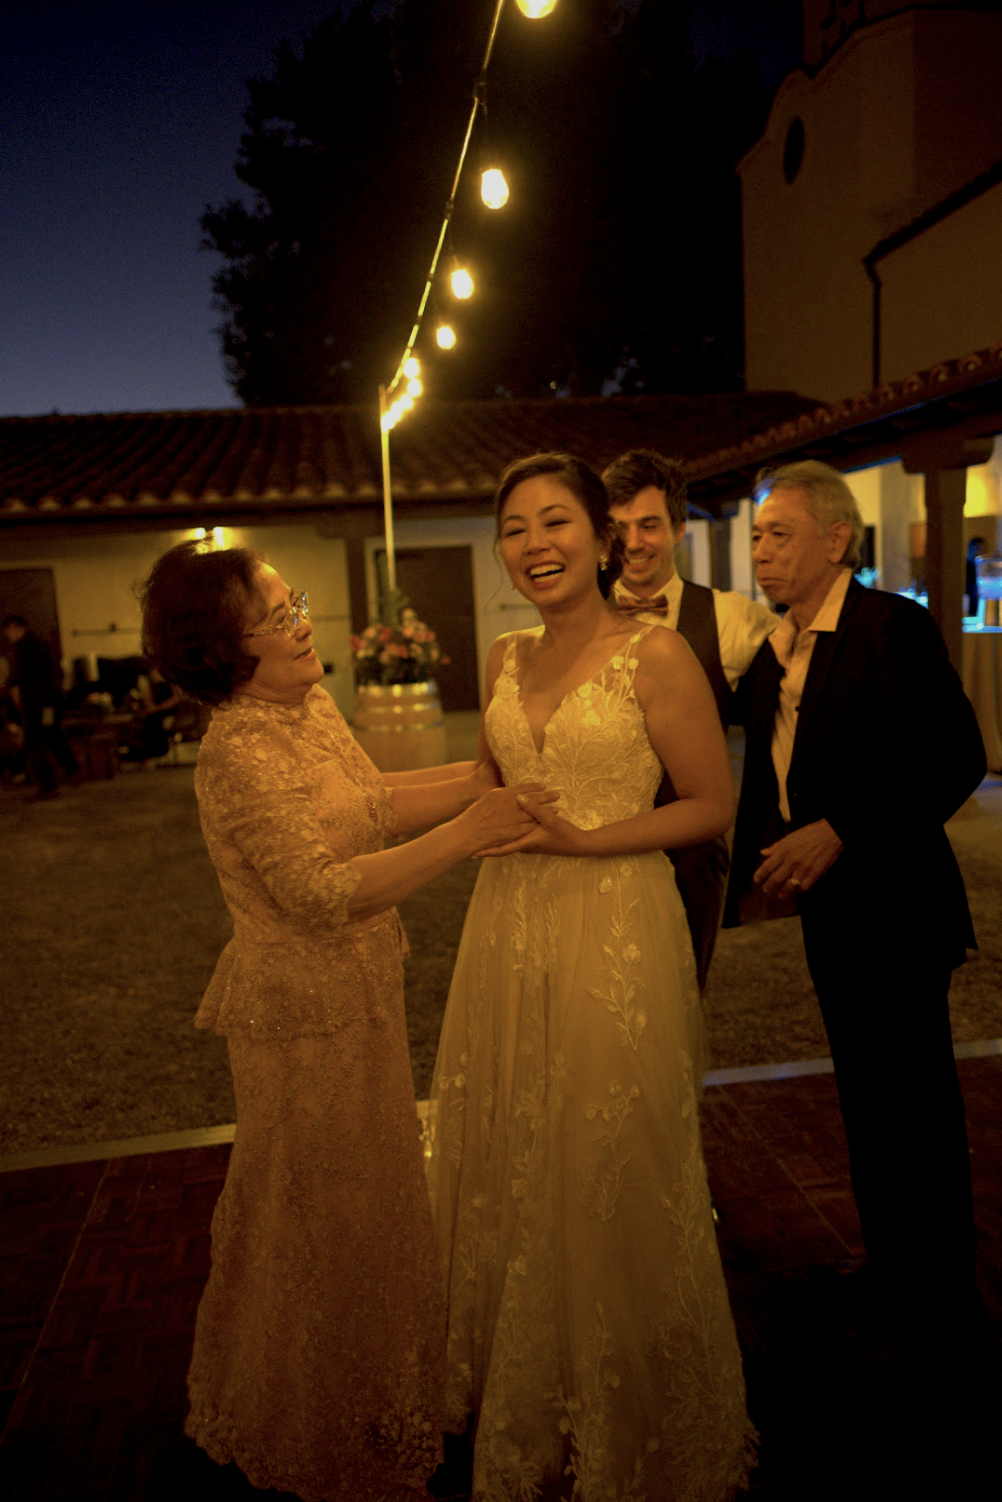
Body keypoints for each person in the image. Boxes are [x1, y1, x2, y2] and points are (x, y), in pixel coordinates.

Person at [139, 540, 552, 1502]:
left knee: (375, 1199)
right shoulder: (237, 752)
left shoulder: (311, 706)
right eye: (277, 617)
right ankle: (305, 1415)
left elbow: (371, 802)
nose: (302, 625)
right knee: (318, 1214)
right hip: (298, 1019)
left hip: (363, 994)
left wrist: (478, 780)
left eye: (296, 604)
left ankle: (374, 1385)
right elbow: (321, 892)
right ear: (224, 649)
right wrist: (469, 833)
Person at [426, 454, 757, 1500]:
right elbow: (488, 787)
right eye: (515, 527)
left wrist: (587, 839)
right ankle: (524, 1384)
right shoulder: (503, 655)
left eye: (556, 520)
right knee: (515, 1141)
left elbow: (711, 804)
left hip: (615, 920)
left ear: (603, 538)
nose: (536, 544)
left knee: (611, 1149)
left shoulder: (656, 654)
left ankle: (630, 1409)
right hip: (507, 923)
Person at [723, 459, 988, 1350]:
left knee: (917, 1105)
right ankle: (891, 1266)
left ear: (837, 540)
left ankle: (947, 1299)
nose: (761, 552)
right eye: (757, 537)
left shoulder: (887, 626)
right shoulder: (780, 647)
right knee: (867, 1097)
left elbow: (955, 755)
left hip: (900, 903)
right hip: (835, 911)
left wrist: (840, 828)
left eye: (780, 535)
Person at [602, 450, 777, 989]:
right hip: (596, 850)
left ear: (679, 528)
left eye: (649, 525)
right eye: (619, 527)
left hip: (692, 856)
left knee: (679, 999)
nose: (633, 542)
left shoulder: (733, 618)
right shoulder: (576, 619)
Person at [1, 614, 80, 798]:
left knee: (34, 741)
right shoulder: (43, 644)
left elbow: (20, 675)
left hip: (37, 703)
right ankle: (72, 770)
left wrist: (8, 682)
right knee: (51, 733)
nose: (8, 637)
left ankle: (48, 785)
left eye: (8, 632)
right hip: (51, 703)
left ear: (15, 628)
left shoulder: (23, 646)